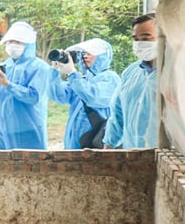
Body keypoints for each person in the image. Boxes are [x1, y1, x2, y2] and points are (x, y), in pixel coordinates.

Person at [0, 21, 51, 150]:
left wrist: (8, 85)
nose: (12, 45)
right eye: (10, 42)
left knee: (30, 167)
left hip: (28, 130)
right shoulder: (4, 66)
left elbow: (33, 97)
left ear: (28, 44)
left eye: (18, 42)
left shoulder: (40, 67)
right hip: (0, 130)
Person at [47, 38, 120, 149]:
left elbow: (92, 97)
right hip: (75, 144)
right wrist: (55, 70)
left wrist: (72, 73)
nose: (85, 56)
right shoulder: (82, 80)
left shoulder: (110, 78)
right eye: (83, 53)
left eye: (91, 54)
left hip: (94, 142)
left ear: (103, 56)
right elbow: (58, 95)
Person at [104, 13, 159, 149]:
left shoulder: (177, 73)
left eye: (146, 37)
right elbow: (117, 115)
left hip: (169, 160)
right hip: (132, 156)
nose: (140, 43)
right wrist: (108, 148)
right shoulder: (130, 73)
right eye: (136, 39)